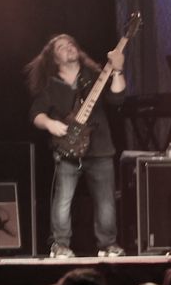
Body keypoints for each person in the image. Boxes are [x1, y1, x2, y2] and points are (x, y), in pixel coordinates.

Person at [26, 33, 127, 259]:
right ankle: (60, 245)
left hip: (100, 148)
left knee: (106, 201)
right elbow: (36, 114)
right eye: (61, 47)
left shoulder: (95, 76)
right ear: (54, 58)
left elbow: (117, 98)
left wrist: (118, 70)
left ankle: (108, 245)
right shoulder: (51, 86)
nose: (69, 47)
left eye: (71, 44)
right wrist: (50, 124)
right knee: (63, 200)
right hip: (67, 151)